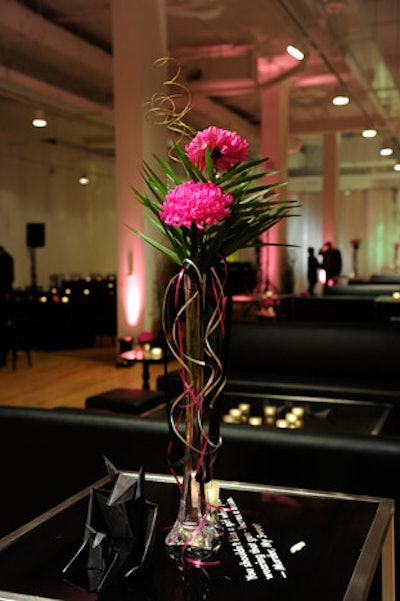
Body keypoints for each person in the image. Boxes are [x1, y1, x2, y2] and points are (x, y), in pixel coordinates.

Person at [0, 246, 14, 366]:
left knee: (3, 328)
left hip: (3, 299)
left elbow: (9, 279)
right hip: (4, 297)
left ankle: (3, 355)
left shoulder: (6, 259)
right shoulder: (7, 258)